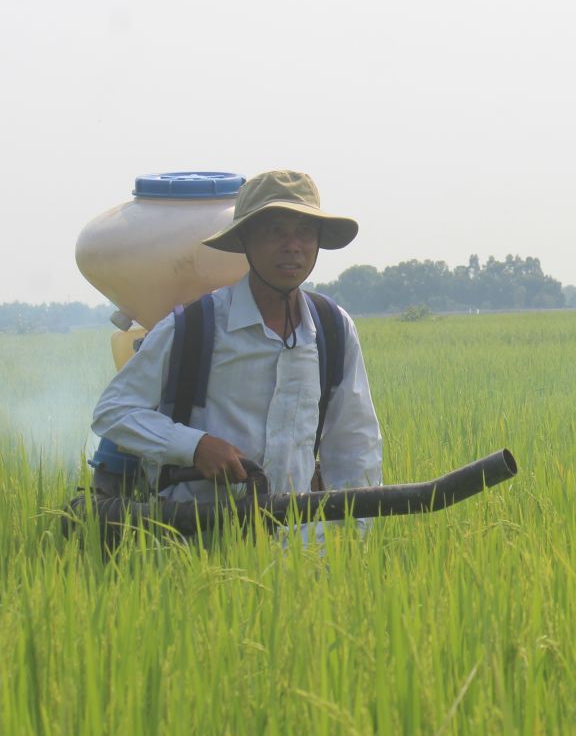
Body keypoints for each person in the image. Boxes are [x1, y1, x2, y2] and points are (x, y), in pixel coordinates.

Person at [91, 169, 382, 504]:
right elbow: (113, 411)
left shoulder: (332, 328)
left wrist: (354, 538)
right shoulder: (197, 326)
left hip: (300, 541)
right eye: (276, 232)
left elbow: (355, 444)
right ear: (245, 239)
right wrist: (196, 446)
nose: (293, 247)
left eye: (305, 232)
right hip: (199, 535)